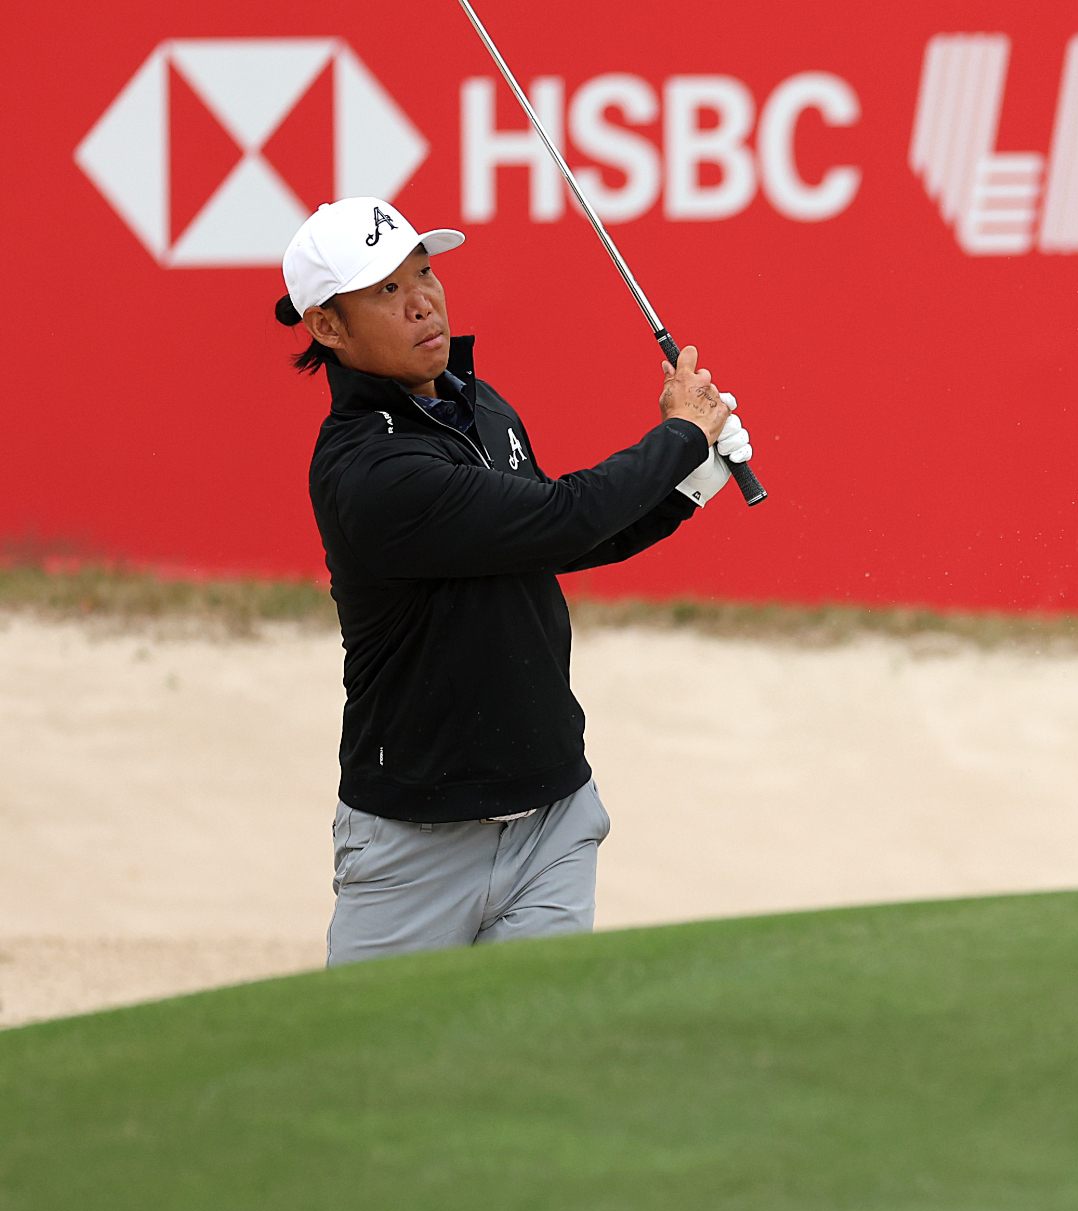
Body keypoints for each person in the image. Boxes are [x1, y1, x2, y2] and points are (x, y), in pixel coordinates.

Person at [277, 196, 751, 966]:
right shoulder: (370, 470)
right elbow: (563, 517)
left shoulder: (478, 405)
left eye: (423, 273)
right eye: (387, 290)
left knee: (539, 1042)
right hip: (414, 842)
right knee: (378, 1050)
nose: (423, 301)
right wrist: (680, 435)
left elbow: (548, 539)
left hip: (552, 817)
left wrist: (691, 481)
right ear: (327, 326)